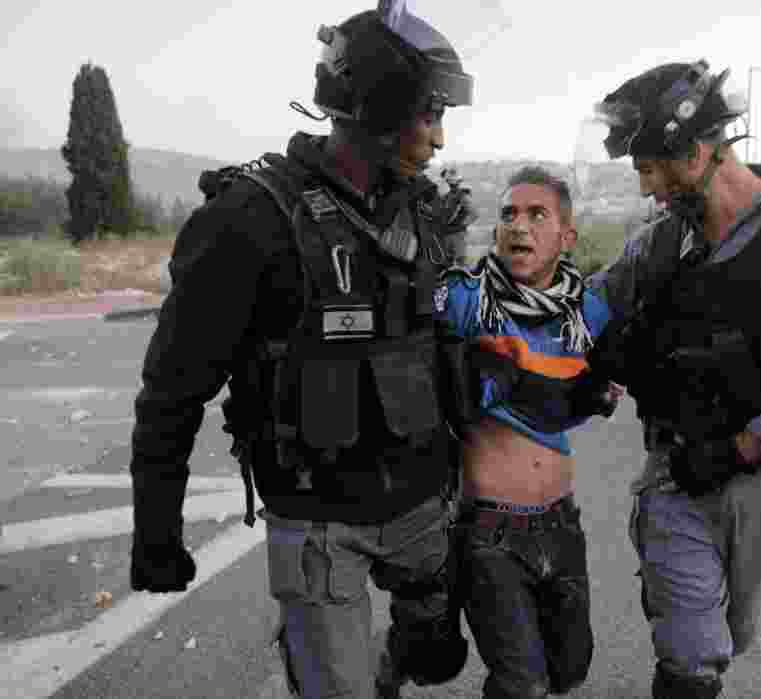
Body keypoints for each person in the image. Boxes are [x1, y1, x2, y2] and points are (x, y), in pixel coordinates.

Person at [127, 5, 479, 698]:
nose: (440, 137)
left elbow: (449, 349)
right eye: (430, 113)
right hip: (318, 521)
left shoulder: (427, 214)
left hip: (421, 508)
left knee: (438, 657)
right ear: (380, 102)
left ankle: (403, 646)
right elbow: (172, 390)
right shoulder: (246, 220)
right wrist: (156, 531)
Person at [574, 60, 761, 698]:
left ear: (698, 151)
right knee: (691, 653)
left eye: (652, 168)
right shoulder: (657, 245)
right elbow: (588, 308)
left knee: (733, 634)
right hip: (675, 474)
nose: (647, 188)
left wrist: (744, 446)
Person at [434, 165, 615, 698]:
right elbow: (417, 304)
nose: (519, 226)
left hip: (562, 525)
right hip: (489, 532)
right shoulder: (466, 300)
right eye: (509, 214)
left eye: (538, 215)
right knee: (523, 684)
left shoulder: (586, 311)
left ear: (567, 236)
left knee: (570, 672)